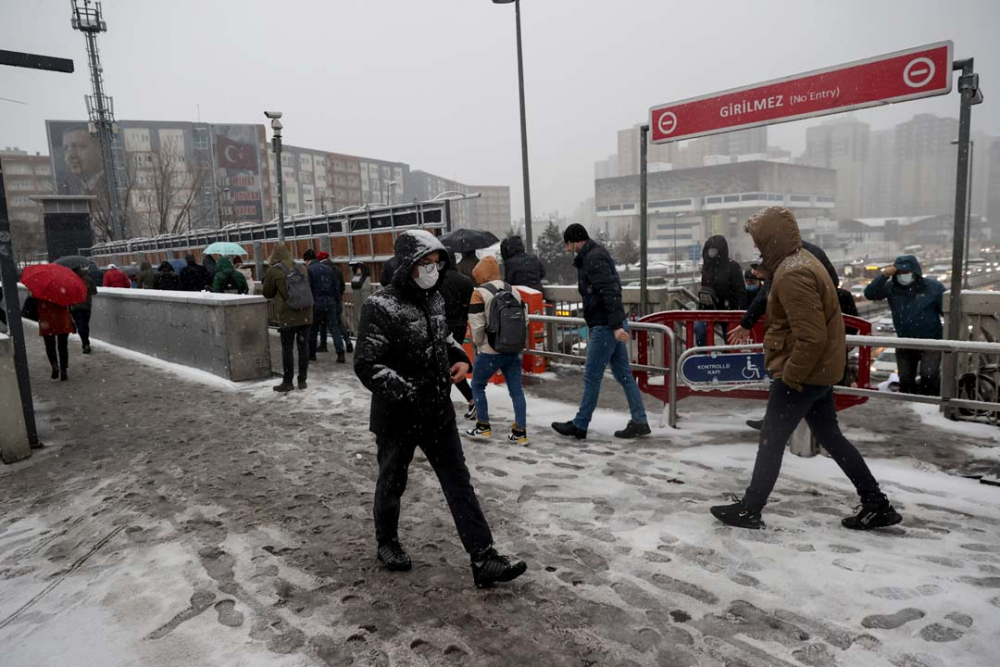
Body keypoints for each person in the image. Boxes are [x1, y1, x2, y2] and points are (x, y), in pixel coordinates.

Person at [354, 229, 527, 587]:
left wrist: (459, 358)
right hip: (397, 416)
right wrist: (406, 391)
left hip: (437, 412)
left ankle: (483, 558)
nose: (431, 271)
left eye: (436, 264)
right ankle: (386, 541)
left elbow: (443, 338)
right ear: (406, 264)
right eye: (424, 264)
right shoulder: (380, 306)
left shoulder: (433, 300)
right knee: (392, 481)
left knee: (458, 483)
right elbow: (367, 364)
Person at [710, 207, 901, 531]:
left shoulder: (794, 273)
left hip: (802, 373)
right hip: (819, 371)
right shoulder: (800, 263)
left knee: (771, 440)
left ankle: (751, 508)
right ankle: (875, 502)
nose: (757, 249)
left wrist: (791, 377)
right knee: (831, 437)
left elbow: (810, 337)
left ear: (773, 240)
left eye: (760, 242)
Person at [551, 224, 651, 440]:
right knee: (624, 375)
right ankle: (640, 420)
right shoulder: (595, 255)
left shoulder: (592, 258)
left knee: (592, 376)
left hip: (605, 326)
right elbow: (610, 290)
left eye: (568, 244)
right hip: (609, 324)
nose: (567, 249)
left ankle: (580, 425)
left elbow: (610, 292)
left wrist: (615, 327)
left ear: (576, 241)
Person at [466, 256, 529, 445]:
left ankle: (483, 426)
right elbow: (524, 320)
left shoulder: (479, 293)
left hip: (489, 351)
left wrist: (479, 344)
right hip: (512, 349)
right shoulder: (514, 290)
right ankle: (520, 432)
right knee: (516, 391)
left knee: (477, 386)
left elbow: (477, 328)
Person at [864, 255, 945, 396]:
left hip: (931, 341)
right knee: (906, 379)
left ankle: (929, 405)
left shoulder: (933, 288)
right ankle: (909, 401)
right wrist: (884, 275)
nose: (903, 276)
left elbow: (946, 312)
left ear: (915, 272)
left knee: (929, 375)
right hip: (904, 341)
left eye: (906, 272)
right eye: (899, 273)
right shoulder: (891, 288)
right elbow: (870, 294)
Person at [264, 244, 313, 392]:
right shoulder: (302, 267)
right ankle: (302, 380)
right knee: (303, 348)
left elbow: (268, 293)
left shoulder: (274, 270)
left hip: (288, 315)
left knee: (287, 349)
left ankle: (287, 382)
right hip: (305, 312)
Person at [438, 251, 477, 420]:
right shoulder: (464, 280)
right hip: (460, 325)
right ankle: (471, 399)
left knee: (447, 364)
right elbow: (470, 301)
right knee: (453, 361)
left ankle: (471, 399)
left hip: (443, 326)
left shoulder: (437, 280)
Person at [694, 235, 746, 346]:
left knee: (731, 340)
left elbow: (740, 292)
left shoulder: (733, 267)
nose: (711, 253)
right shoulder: (707, 268)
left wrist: (739, 313)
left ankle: (729, 359)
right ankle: (706, 358)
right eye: (709, 250)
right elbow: (705, 286)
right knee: (700, 329)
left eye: (714, 250)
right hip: (709, 310)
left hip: (729, 312)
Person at [304, 249, 344, 363]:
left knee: (313, 329)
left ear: (308, 260)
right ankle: (340, 352)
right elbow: (336, 287)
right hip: (330, 302)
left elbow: (308, 288)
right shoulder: (328, 269)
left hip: (316, 303)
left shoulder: (309, 270)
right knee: (334, 328)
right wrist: (337, 303)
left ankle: (312, 354)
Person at [318, 251, 353, 354]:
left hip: (326, 301)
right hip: (336, 300)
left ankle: (323, 344)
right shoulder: (337, 269)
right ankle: (347, 341)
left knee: (323, 323)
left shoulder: (322, 270)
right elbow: (341, 286)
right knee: (338, 323)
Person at [38, 298, 74, 381]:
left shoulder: (40, 292)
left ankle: (54, 365)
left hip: (47, 321)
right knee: (63, 346)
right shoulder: (63, 290)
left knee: (50, 346)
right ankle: (63, 370)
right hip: (62, 319)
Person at [69, 267, 97, 354]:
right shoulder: (87, 278)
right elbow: (94, 291)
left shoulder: (70, 279)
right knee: (85, 324)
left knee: (79, 325)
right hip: (86, 306)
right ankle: (86, 343)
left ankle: (85, 343)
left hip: (75, 306)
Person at [349, 261, 374, 340]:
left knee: (362, 314)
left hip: (362, 296)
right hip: (359, 296)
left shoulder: (364, 276)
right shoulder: (360, 276)